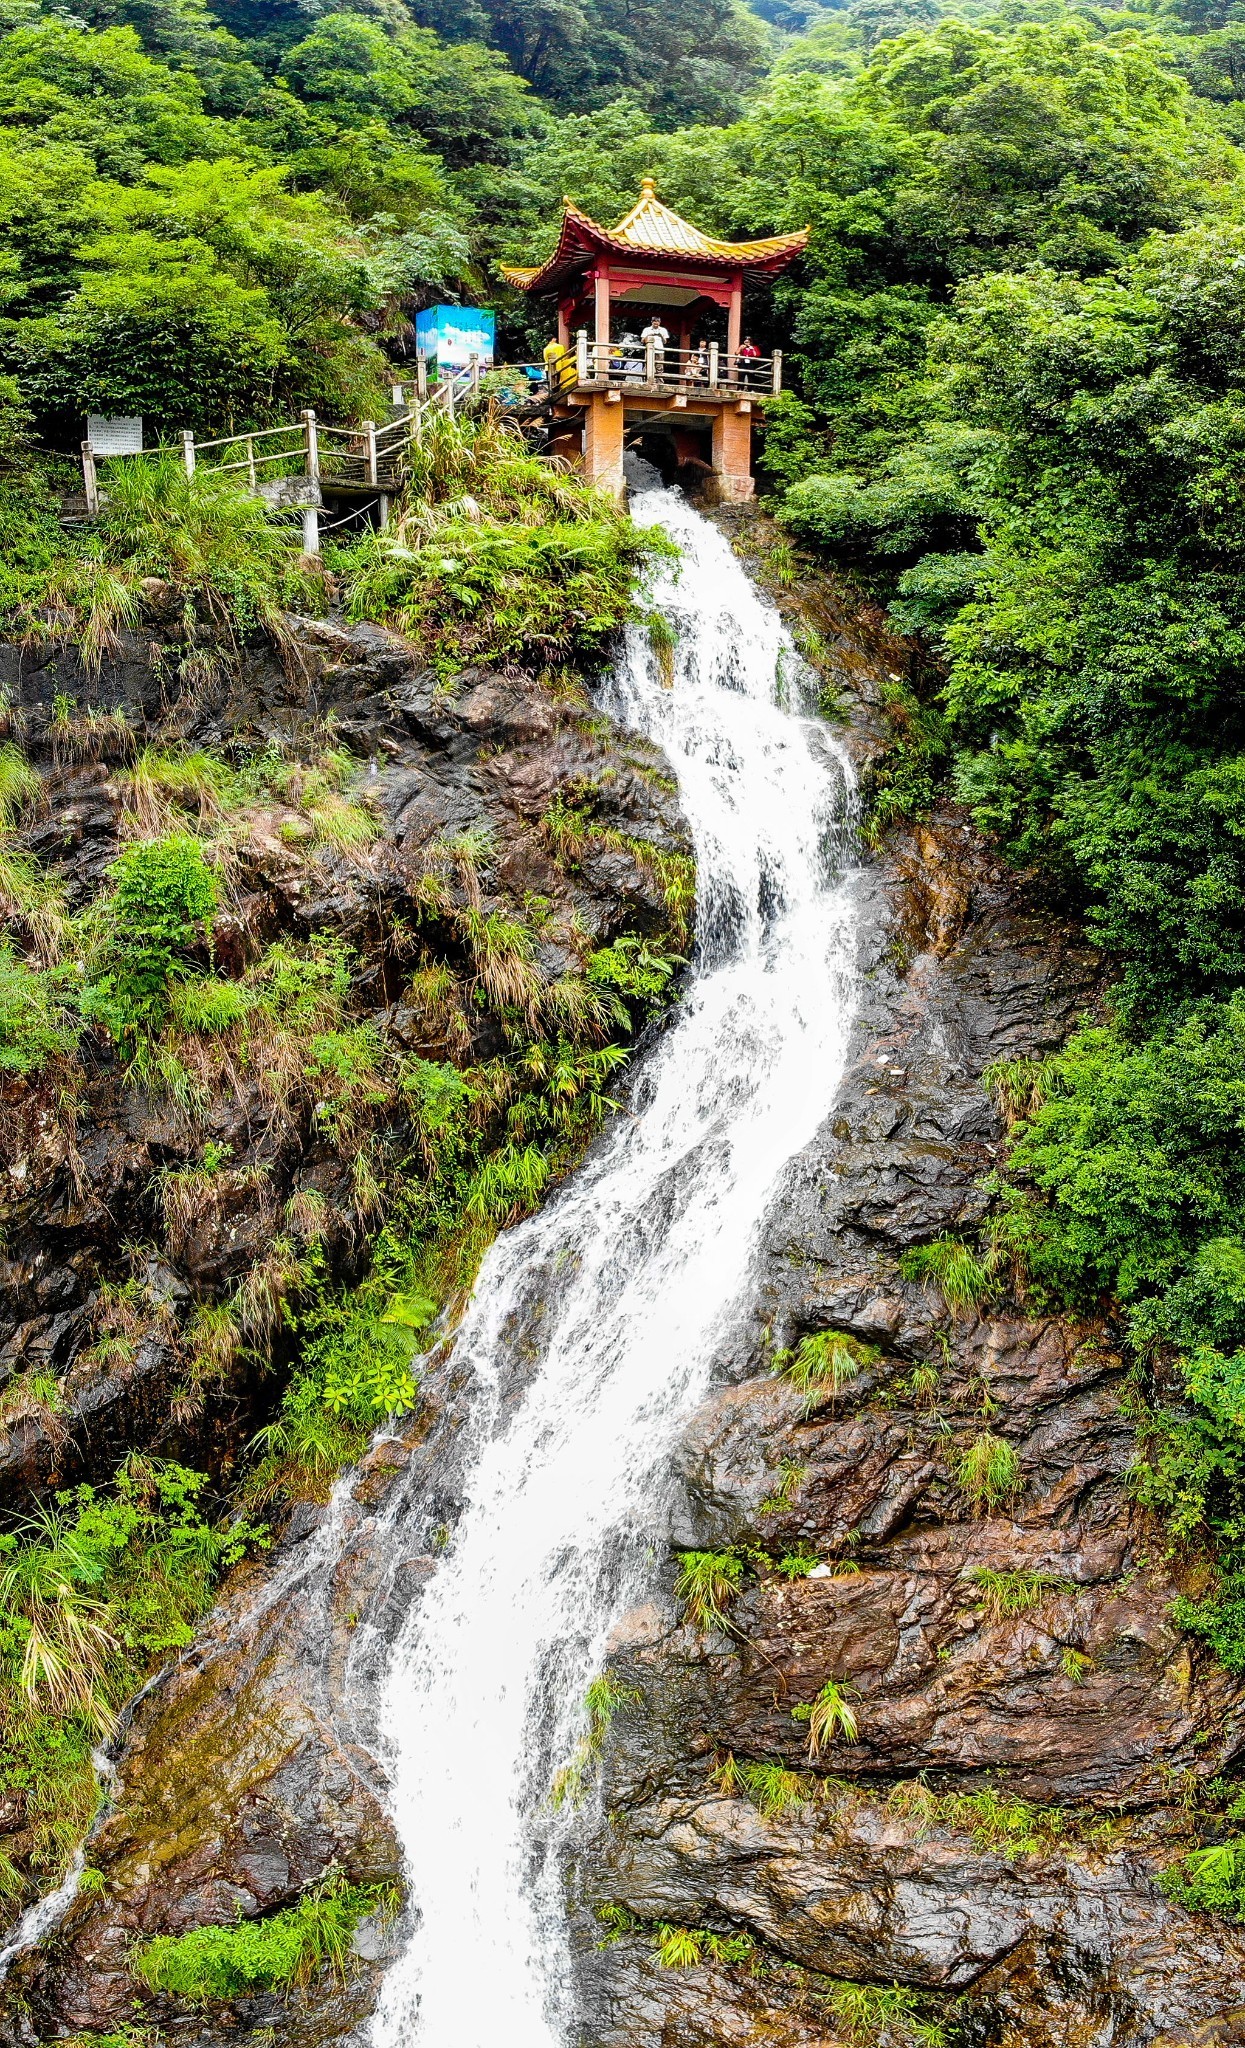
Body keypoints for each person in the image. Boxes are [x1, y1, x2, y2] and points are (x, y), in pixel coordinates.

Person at [641, 314, 670, 379]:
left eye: (657, 321)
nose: (656, 322)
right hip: (649, 350)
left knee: (659, 367)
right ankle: (647, 380)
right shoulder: (647, 329)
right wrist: (649, 335)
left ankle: (659, 382)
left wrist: (661, 336)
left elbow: (665, 342)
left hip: (660, 350)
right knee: (648, 365)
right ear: (651, 322)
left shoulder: (663, 330)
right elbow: (642, 340)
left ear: (659, 322)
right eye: (654, 321)